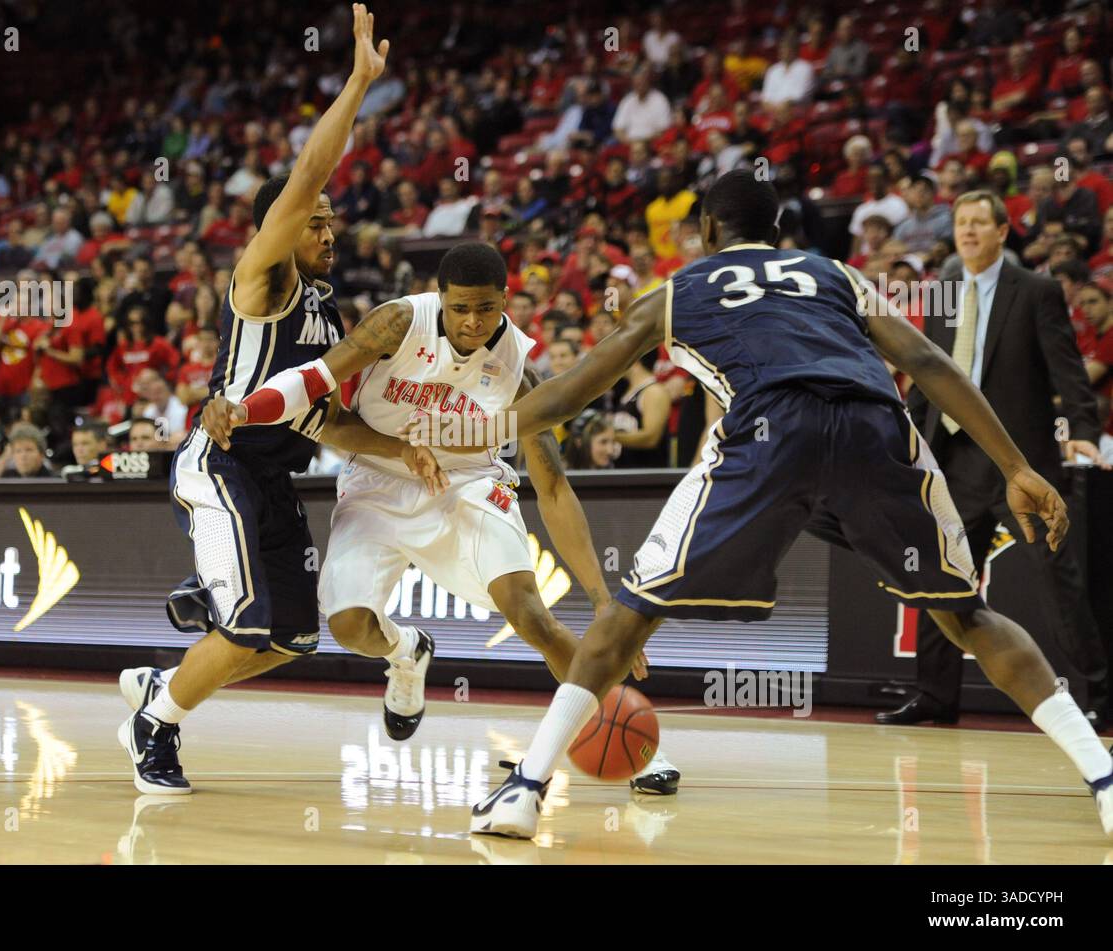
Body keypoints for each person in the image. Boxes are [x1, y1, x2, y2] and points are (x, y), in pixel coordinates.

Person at [453, 169, 1112, 839]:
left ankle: (526, 789)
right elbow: (931, 362)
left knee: (629, 614)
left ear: (707, 232)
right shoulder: (836, 273)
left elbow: (568, 394)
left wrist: (473, 427)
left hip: (770, 430)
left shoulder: (677, 291)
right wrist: (1017, 466)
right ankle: (1106, 779)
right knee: (968, 613)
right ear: (777, 232)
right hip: (876, 424)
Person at [114, 7, 442, 797]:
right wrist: (360, 83)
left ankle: (169, 675)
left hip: (272, 479)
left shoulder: (327, 313)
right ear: (281, 228)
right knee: (252, 619)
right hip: (219, 462)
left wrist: (404, 450)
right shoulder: (265, 277)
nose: (328, 230)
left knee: (294, 636)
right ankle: (156, 721)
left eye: (333, 223)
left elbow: (326, 418)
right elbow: (307, 175)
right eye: (316, 222)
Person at [219, 242, 678, 792]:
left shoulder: (516, 369)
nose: (473, 321)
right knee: (349, 627)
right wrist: (246, 408)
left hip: (469, 482)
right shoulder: (396, 324)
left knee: (531, 615)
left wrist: (603, 600)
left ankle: (633, 746)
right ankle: (404, 652)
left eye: (486, 308)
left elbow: (553, 487)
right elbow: (321, 392)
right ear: (440, 299)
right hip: (376, 478)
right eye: (460, 308)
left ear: (506, 300)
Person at [877, 190, 1111, 729]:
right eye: (962, 223)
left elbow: (1066, 366)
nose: (969, 231)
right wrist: (900, 435)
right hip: (954, 462)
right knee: (945, 577)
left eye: (981, 222)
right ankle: (935, 697)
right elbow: (926, 375)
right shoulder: (941, 293)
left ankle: (1098, 694)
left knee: (1058, 581)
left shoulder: (1036, 290)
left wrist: (1082, 429)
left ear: (1003, 232)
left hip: (1018, 464)